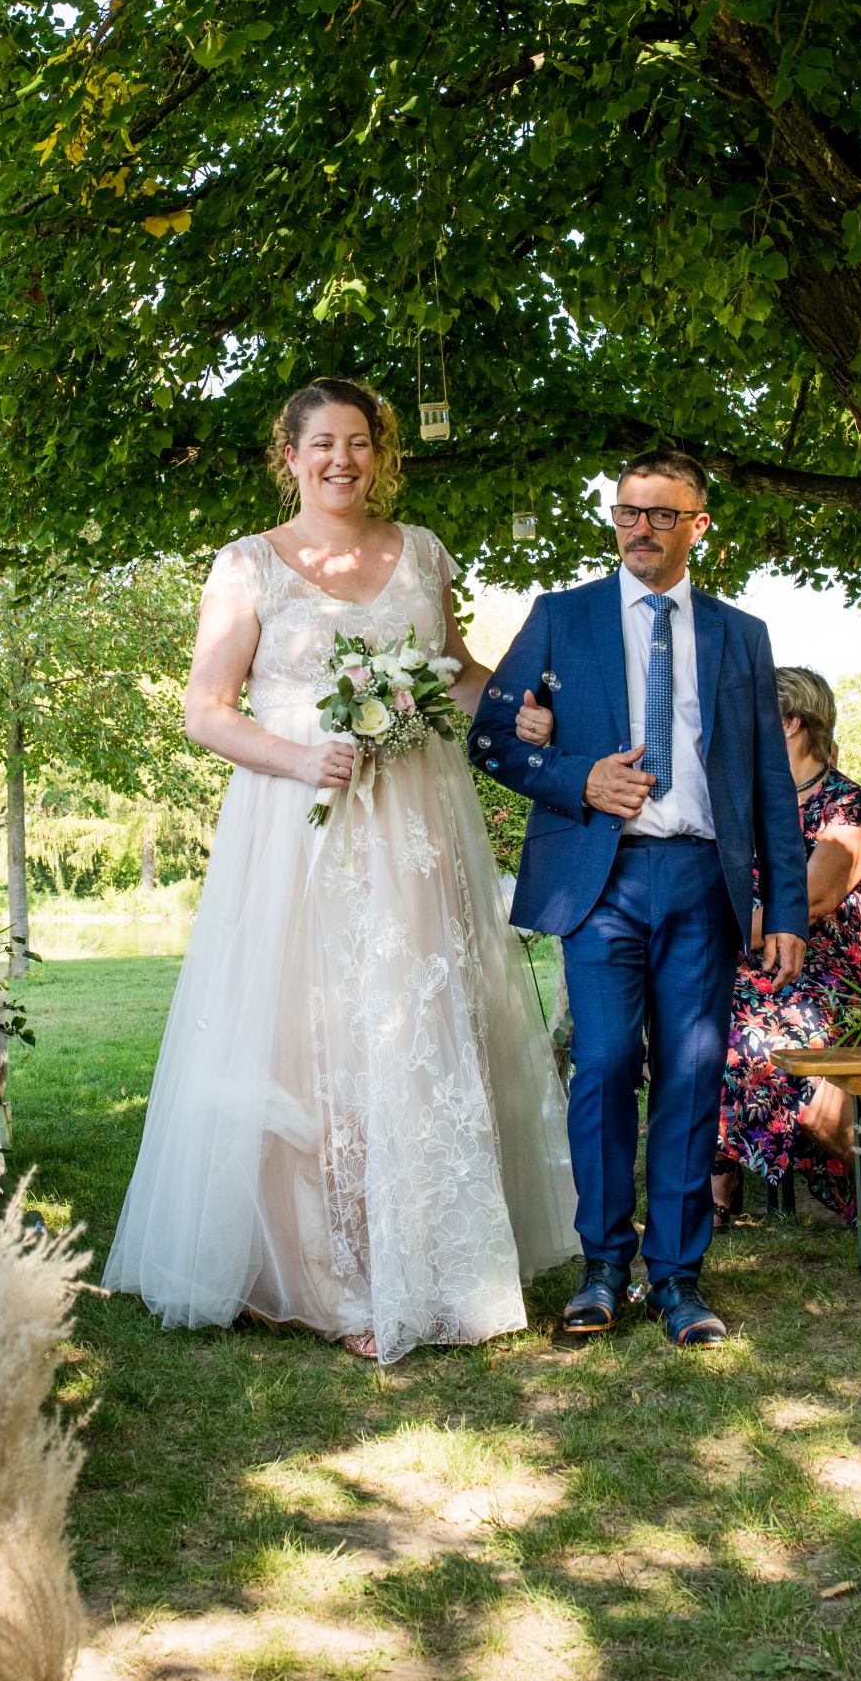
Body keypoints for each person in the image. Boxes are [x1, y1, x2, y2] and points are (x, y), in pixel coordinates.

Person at [104, 378, 576, 1363]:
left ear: (380, 453)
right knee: (313, 1036)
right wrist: (296, 754)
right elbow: (205, 709)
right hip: (299, 828)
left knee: (419, 1024)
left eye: (359, 443)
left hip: (413, 825)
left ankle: (441, 1265)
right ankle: (334, 1277)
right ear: (290, 455)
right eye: (321, 444)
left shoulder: (422, 553)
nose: (341, 461)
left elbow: (453, 666)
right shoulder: (247, 567)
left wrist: (518, 706)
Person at [476, 450, 808, 1350]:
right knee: (608, 1066)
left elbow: (771, 784)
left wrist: (786, 909)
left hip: (703, 878)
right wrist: (579, 778)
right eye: (628, 512)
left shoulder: (741, 635)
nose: (641, 529)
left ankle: (679, 1277)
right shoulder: (561, 618)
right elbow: (491, 739)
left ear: (699, 526)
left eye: (663, 515)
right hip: (601, 878)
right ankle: (600, 1269)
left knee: (694, 1074)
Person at [713, 669, 861, 1222]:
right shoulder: (742, 801)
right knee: (684, 1013)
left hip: (823, 969)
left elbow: (816, 895)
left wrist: (718, 925)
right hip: (745, 962)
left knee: (754, 1040)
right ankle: (718, 1177)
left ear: (788, 723)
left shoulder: (846, 805)